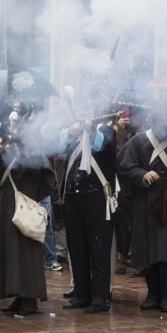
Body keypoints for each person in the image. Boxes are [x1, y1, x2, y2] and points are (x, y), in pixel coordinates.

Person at [118, 103, 167, 313]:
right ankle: (153, 295)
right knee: (147, 250)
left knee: (166, 250)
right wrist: (142, 175)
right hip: (145, 201)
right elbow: (125, 166)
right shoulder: (139, 141)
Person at [59, 112, 119, 314]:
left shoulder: (106, 129)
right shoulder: (75, 131)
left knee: (98, 248)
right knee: (77, 247)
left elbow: (101, 145)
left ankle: (100, 297)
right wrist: (71, 131)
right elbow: (59, 148)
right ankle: (82, 292)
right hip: (73, 197)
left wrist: (91, 129)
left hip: (96, 197)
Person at [0, 137, 56, 316]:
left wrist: (23, 147)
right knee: (13, 255)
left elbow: (39, 174)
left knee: (26, 255)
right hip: (9, 209)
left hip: (23, 211)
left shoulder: (34, 158)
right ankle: (20, 296)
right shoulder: (14, 157)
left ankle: (29, 299)